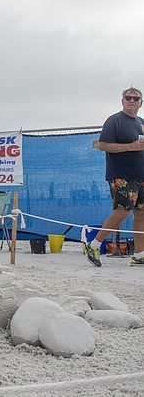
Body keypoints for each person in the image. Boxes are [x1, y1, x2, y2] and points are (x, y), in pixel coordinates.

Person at [84, 87, 144, 267]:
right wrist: (130, 147)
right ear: (122, 101)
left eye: (136, 98)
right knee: (122, 211)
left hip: (140, 175)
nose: (132, 100)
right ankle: (93, 245)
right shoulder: (114, 120)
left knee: (141, 213)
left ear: (141, 103)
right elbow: (101, 145)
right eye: (128, 97)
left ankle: (140, 254)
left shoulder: (141, 122)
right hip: (121, 175)